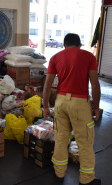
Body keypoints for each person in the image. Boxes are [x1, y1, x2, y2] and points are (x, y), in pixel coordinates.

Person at [43, 33, 101, 185]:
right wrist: (96, 107)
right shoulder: (89, 57)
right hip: (80, 103)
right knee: (85, 142)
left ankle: (59, 175)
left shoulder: (55, 57)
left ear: (64, 45)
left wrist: (45, 107)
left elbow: (48, 85)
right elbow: (95, 84)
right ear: (80, 45)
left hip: (60, 101)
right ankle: (87, 180)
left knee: (61, 140)